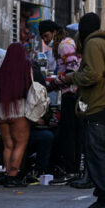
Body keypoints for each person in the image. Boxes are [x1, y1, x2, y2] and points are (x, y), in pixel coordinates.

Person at [65, 12, 105, 208]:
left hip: (100, 106)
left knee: (99, 156)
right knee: (97, 155)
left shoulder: (93, 44)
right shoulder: (103, 41)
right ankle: (102, 198)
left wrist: (72, 77)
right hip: (104, 105)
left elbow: (93, 74)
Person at [0, 43, 33, 187]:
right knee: (20, 144)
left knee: (7, 145)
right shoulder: (25, 71)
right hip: (18, 110)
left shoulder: (0, 73)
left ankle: (7, 174)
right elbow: (29, 90)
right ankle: (13, 176)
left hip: (1, 112)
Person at [40, 20, 83, 178]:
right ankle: (74, 168)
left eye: (47, 36)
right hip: (69, 93)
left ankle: (72, 168)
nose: (46, 40)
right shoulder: (65, 45)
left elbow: (72, 71)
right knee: (73, 133)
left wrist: (53, 83)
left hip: (71, 94)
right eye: (43, 38)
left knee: (70, 134)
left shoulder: (64, 45)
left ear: (55, 32)